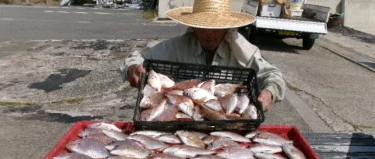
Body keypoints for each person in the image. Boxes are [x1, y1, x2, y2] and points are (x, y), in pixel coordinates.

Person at [120, 0, 286, 112]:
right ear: (194, 26)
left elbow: (273, 76)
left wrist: (269, 93)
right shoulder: (179, 46)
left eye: (215, 28)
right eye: (203, 27)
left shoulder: (241, 50)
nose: (208, 34)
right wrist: (132, 69)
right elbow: (138, 58)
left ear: (226, 27)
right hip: (182, 115)